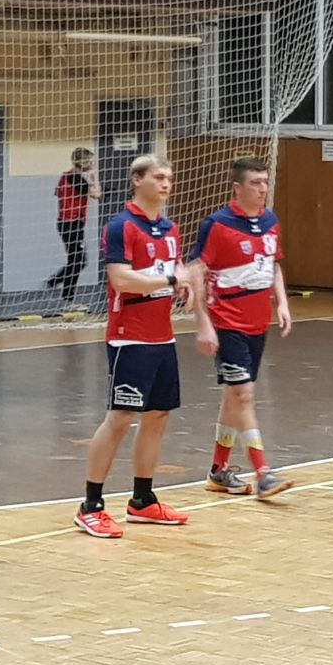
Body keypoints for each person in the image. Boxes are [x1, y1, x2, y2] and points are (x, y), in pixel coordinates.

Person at [74, 154, 194, 539]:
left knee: (158, 415)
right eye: (158, 177)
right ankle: (91, 505)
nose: (166, 183)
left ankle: (142, 500)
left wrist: (183, 287)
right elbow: (122, 279)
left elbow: (173, 272)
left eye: (169, 177)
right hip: (130, 337)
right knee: (121, 418)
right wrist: (170, 281)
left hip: (163, 336)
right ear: (138, 180)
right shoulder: (121, 226)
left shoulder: (170, 229)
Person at [187, 158, 294, 499]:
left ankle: (218, 471)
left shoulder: (270, 222)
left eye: (265, 182)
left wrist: (282, 303)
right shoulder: (218, 225)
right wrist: (203, 323)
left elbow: (273, 265)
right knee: (244, 393)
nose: (263, 188)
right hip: (227, 322)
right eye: (255, 183)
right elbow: (196, 272)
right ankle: (263, 472)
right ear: (238, 188)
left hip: (257, 323)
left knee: (234, 396)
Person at [47, 147, 102, 310]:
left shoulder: (66, 176)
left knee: (78, 260)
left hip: (68, 223)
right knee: (78, 261)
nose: (92, 163)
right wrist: (93, 177)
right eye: (89, 161)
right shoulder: (75, 178)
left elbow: (58, 192)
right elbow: (97, 194)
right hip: (71, 224)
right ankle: (67, 299)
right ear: (81, 162)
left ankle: (56, 282)